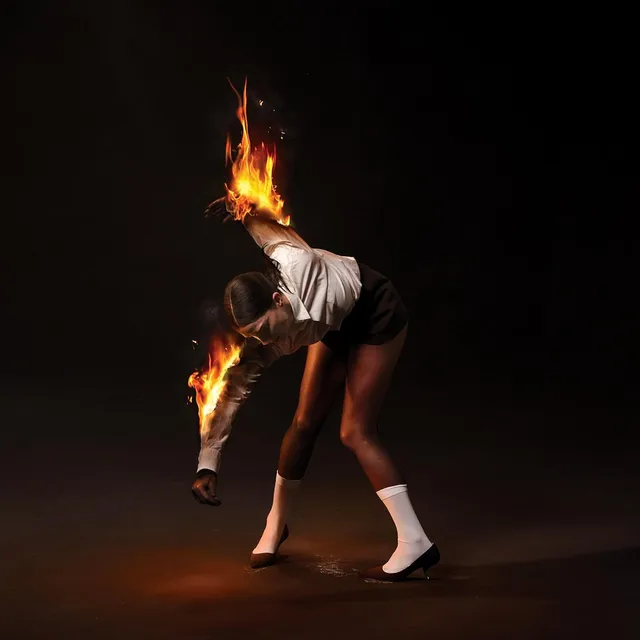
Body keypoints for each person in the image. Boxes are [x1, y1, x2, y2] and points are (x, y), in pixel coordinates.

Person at [191, 207, 440, 581]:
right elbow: (229, 392)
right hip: (331, 327)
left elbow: (271, 235)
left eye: (264, 329)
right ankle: (276, 524)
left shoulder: (299, 263)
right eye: (253, 336)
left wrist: (242, 208)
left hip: (374, 310)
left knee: (354, 431)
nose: (264, 341)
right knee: (303, 423)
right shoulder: (264, 339)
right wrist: (208, 463)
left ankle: (415, 541)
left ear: (277, 299)